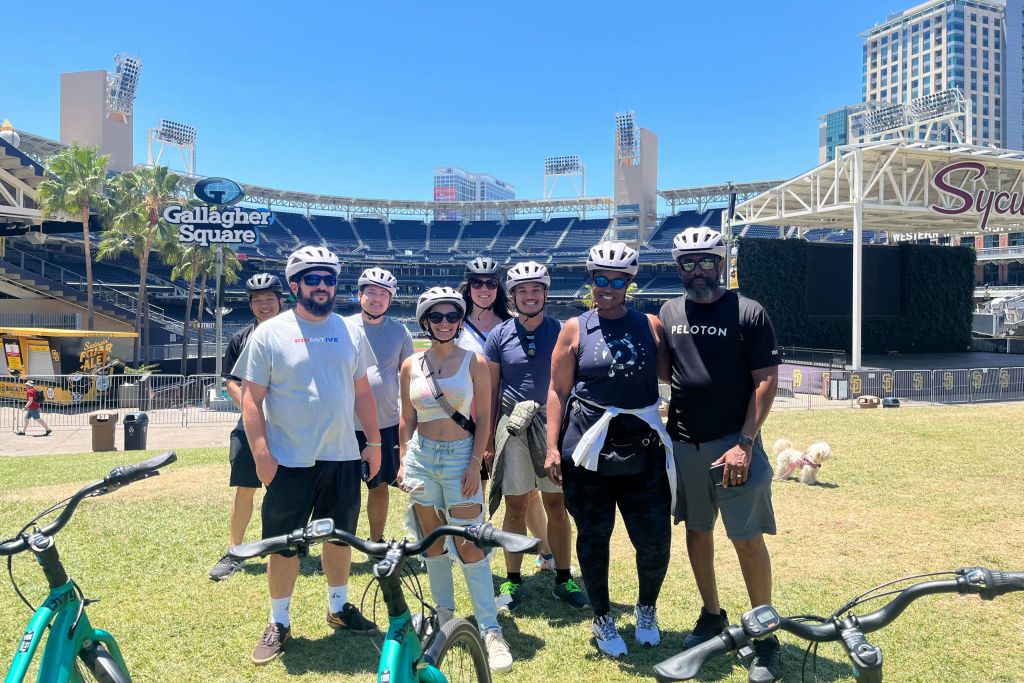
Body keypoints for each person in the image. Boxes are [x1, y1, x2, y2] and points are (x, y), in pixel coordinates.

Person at [234, 246, 382, 665]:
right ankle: (279, 620)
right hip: (288, 459)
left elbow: (362, 391)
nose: (322, 286)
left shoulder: (351, 331)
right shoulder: (270, 333)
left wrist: (371, 442)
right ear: (295, 285)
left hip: (341, 456)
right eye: (312, 278)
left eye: (329, 279)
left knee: (338, 537)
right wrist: (262, 453)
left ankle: (338, 608)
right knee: (284, 545)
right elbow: (251, 398)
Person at [659, 227, 782, 683]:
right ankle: (712, 614)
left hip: (734, 445)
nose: (697, 271)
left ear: (722, 262)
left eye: (705, 261)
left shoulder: (748, 311)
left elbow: (766, 380)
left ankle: (766, 637)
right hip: (684, 443)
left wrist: (745, 444)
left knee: (747, 538)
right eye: (687, 264)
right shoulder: (670, 310)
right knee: (696, 531)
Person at [546, 241, 675, 659]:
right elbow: (557, 391)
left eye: (617, 280)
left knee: (654, 539)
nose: (607, 287)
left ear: (629, 283)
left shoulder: (650, 325)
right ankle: (602, 616)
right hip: (587, 450)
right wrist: (551, 447)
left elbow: (673, 374)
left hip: (642, 447)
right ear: (591, 280)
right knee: (594, 537)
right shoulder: (574, 328)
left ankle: (646, 609)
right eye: (600, 278)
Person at [397, 286, 513, 673]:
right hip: (421, 459)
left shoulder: (474, 361)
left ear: (459, 320)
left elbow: (483, 417)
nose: (445, 323)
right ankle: (443, 615)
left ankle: (490, 629)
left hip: (459, 457)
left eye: (451, 316)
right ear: (425, 321)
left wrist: (475, 462)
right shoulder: (411, 365)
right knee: (432, 544)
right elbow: (407, 419)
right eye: (437, 316)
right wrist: (402, 461)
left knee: (470, 545)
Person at [484, 261, 590, 613]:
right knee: (516, 504)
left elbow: (570, 384)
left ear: (546, 293)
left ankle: (563, 575)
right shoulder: (498, 335)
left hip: (552, 424)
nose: (529, 296)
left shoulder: (562, 331)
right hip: (513, 424)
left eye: (535, 290)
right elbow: (492, 390)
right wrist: (488, 441)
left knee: (556, 504)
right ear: (512, 296)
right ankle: (512, 579)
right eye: (522, 291)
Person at [458, 256, 555, 571]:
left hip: (501, 415)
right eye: (477, 283)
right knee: (476, 486)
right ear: (468, 286)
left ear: (500, 289)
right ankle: (478, 547)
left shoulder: (509, 320)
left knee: (527, 494)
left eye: (490, 283)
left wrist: (490, 435)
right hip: (461, 413)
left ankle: (546, 549)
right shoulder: (453, 319)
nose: (484, 289)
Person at [209, 273, 285, 581]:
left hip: (288, 427)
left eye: (269, 299)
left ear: (281, 301)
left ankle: (283, 547)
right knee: (245, 488)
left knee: (285, 491)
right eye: (257, 301)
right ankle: (235, 550)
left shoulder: (294, 335)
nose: (264, 305)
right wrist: (254, 411)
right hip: (249, 426)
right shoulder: (241, 338)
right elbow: (230, 381)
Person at [346, 267, 414, 544]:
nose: (376, 299)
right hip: (346, 424)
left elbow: (410, 375)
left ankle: (376, 540)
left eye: (383, 294)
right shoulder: (343, 326)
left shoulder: (400, 331)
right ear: (359, 294)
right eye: (371, 292)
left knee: (379, 485)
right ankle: (341, 542)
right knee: (344, 490)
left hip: (385, 423)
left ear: (390, 299)